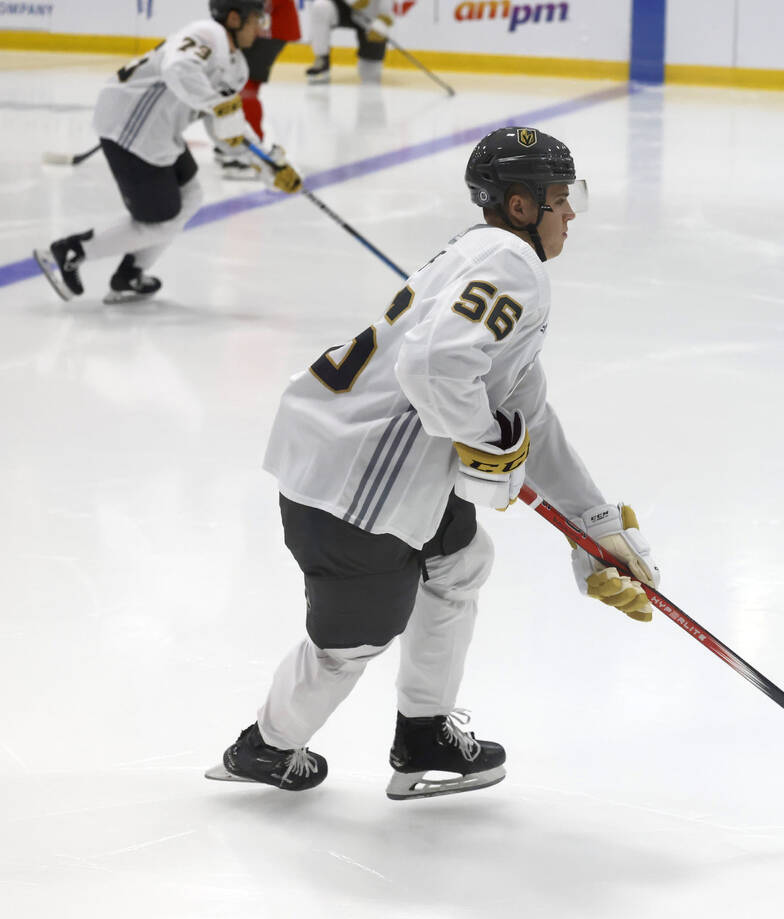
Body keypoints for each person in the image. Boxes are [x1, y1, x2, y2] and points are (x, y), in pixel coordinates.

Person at [205, 126, 661, 799]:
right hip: (358, 484)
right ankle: (264, 747)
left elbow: (526, 410)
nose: (571, 214)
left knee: (460, 560)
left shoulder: (484, 255)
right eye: (561, 199)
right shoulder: (513, 264)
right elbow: (434, 364)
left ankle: (423, 734)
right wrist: (481, 436)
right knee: (350, 645)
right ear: (520, 206)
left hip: (354, 462)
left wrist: (593, 522)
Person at [33, 0, 302, 304]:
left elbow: (227, 131)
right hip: (128, 127)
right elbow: (178, 68)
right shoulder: (207, 33)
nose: (260, 29)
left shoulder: (237, 66)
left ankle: (130, 275)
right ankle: (72, 252)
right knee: (160, 220)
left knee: (191, 197)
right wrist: (214, 103)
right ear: (233, 17)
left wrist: (268, 165)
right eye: (255, 20)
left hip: (158, 134)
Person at [217, 0, 302, 179]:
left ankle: (250, 150)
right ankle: (243, 145)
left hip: (268, 27)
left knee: (245, 88)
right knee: (241, 85)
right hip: (259, 23)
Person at [305, 0, 393, 84]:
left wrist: (381, 24)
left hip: (371, 16)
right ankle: (322, 58)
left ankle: (370, 58)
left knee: (370, 76)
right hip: (343, 7)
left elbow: (387, 13)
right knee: (320, 7)